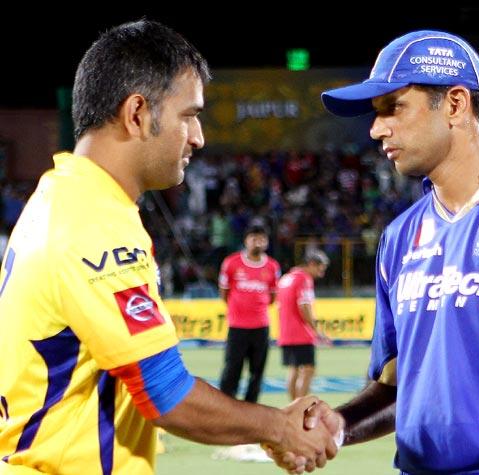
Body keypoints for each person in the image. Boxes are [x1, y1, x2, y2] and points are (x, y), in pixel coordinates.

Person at [0, 20, 337, 474]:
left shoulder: (62, 195)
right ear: (137, 113)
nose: (197, 136)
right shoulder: (94, 224)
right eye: (188, 115)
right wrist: (278, 427)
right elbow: (163, 391)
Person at [271, 29, 479, 474]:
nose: (376, 129)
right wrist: (338, 424)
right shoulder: (399, 237)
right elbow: (400, 389)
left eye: (393, 107)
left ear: (455, 104)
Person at [218, 223, 281, 402]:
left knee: (257, 372)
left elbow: (273, 296)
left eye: (262, 239)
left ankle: (251, 407)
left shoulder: (272, 266)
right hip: (237, 327)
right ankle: (226, 405)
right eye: (254, 238)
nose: (258, 242)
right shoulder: (231, 262)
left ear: (267, 242)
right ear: (246, 241)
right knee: (232, 369)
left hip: (261, 327)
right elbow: (224, 293)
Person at [277, 249, 330, 401]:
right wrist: (315, 330)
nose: (323, 272)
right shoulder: (304, 279)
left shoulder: (287, 278)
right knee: (308, 370)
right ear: (312, 264)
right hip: (301, 333)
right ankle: (300, 409)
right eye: (321, 267)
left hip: (286, 333)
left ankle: (292, 407)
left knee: (294, 370)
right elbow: (304, 306)